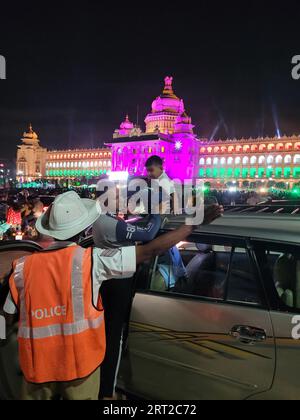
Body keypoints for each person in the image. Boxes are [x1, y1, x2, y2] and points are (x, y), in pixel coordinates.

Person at [3, 190, 222, 400]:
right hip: (80, 369)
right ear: (84, 228)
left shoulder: (22, 267)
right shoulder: (93, 261)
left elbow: (6, 319)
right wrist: (191, 226)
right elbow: (150, 250)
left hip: (37, 370)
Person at [93, 187, 162, 399]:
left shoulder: (106, 220)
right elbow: (149, 233)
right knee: (114, 338)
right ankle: (106, 391)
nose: (121, 198)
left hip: (112, 280)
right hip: (117, 282)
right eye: (116, 196)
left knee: (110, 334)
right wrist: (158, 213)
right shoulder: (107, 223)